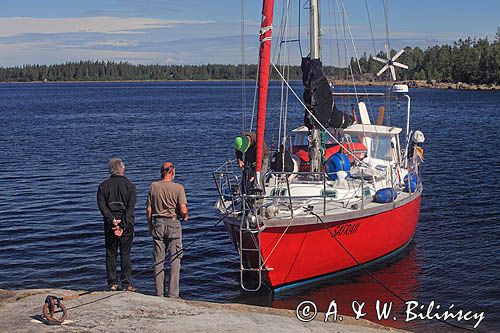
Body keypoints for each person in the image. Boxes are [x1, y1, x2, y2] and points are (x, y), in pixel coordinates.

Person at [146, 162, 188, 298]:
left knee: (158, 261)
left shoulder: (153, 186)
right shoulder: (178, 188)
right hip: (173, 223)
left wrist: (149, 225)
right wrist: (186, 216)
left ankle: (159, 294)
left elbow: (149, 209)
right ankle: (173, 294)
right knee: (175, 260)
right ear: (172, 171)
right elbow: (183, 209)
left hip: (158, 223)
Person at [97, 158, 137, 292]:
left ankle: (112, 283)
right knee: (125, 254)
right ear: (122, 169)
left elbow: (102, 207)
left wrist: (112, 220)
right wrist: (123, 224)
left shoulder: (103, 186)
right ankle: (126, 284)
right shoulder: (130, 186)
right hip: (126, 225)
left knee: (110, 254)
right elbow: (130, 209)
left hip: (110, 225)